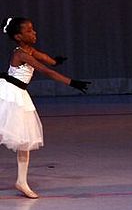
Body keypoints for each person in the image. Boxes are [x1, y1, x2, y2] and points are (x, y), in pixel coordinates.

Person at [0, 16, 91, 199]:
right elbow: (46, 71)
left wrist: (55, 61)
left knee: (23, 139)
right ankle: (21, 181)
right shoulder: (21, 54)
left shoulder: (30, 50)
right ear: (18, 37)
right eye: (29, 31)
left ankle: (21, 181)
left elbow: (46, 60)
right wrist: (71, 82)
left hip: (19, 95)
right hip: (8, 94)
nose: (34, 33)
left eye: (33, 29)